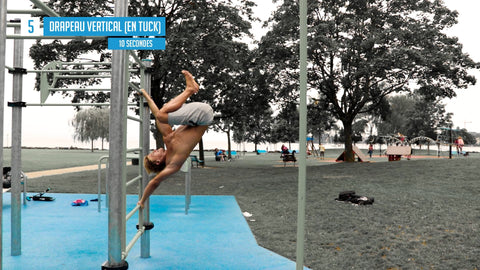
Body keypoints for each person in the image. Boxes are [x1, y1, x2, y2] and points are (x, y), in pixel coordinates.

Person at [137, 70, 213, 209]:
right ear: (159, 161)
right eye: (153, 154)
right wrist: (142, 200)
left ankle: (190, 90)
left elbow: (157, 113)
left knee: (163, 113)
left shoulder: (169, 139)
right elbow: (154, 182)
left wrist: (146, 96)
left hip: (197, 113)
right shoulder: (174, 164)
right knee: (163, 114)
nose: (154, 150)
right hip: (202, 116)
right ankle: (190, 90)